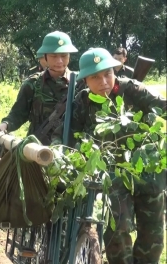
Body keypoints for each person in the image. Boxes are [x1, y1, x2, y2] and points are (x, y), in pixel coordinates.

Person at [52, 47, 166, 264]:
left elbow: (164, 107)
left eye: (107, 73)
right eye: (95, 77)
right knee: (116, 230)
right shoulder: (81, 103)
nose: (103, 80)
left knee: (153, 235)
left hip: (148, 172)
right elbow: (62, 137)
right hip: (111, 177)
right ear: (85, 80)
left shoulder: (133, 90)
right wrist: (64, 154)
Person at [0, 31, 79, 145]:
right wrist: (4, 126)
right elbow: (18, 114)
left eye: (64, 56)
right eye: (54, 56)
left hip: (70, 149)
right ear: (45, 57)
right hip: (37, 148)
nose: (59, 61)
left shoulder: (80, 83)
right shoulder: (33, 83)